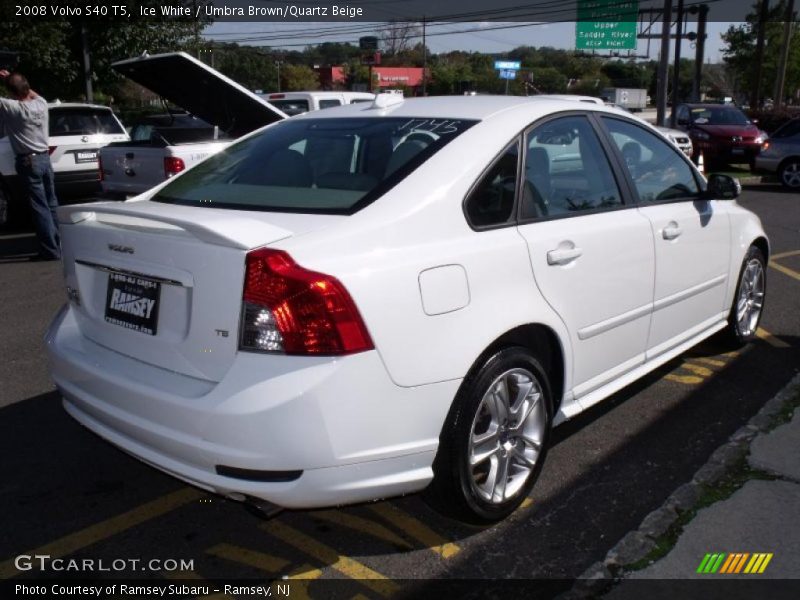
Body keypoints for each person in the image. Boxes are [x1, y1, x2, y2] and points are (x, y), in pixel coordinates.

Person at [0, 69, 60, 260]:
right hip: (44, 158)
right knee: (51, 203)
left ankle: (49, 250)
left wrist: (8, 81)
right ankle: (59, 244)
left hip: (28, 161)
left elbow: (17, 94)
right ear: (26, 87)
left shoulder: (13, 107)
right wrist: (13, 79)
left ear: (11, 93)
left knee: (39, 206)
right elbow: (31, 93)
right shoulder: (41, 104)